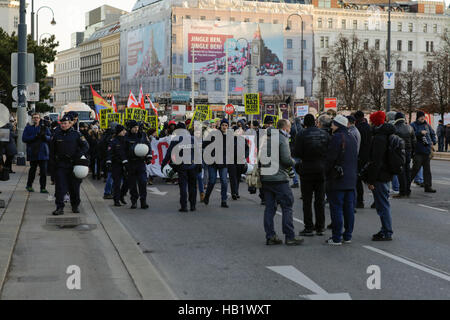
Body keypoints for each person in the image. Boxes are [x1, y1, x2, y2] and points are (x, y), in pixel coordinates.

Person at [261, 119, 304, 246]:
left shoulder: (265, 138)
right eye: (289, 128)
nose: (290, 131)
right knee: (287, 206)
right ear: (285, 128)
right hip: (279, 178)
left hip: (266, 177)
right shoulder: (281, 139)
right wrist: (295, 161)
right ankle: (290, 236)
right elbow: (286, 159)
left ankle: (270, 236)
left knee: (269, 208)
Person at [293, 114, 329, 236]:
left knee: (307, 200)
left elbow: (296, 152)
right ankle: (320, 226)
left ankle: (308, 227)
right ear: (315, 122)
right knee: (320, 200)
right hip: (321, 169)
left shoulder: (301, 134)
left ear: (305, 123)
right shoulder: (324, 134)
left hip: (307, 169)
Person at [325, 115, 358, 245]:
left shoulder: (337, 137)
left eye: (332, 124)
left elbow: (330, 158)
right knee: (349, 209)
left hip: (338, 179)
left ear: (337, 125)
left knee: (337, 208)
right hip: (350, 179)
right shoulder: (352, 137)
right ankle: (348, 235)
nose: (331, 126)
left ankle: (336, 237)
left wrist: (326, 172)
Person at [364, 111, 395, 241]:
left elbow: (376, 161)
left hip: (380, 175)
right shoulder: (387, 135)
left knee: (383, 205)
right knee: (383, 204)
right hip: (386, 174)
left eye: (371, 120)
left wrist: (370, 180)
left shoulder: (379, 138)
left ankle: (387, 231)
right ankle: (385, 230)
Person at [49, 115, 89, 215]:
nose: (63, 125)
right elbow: (52, 152)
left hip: (74, 165)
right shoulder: (56, 135)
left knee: (74, 187)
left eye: (65, 123)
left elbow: (86, 146)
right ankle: (59, 207)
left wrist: (78, 155)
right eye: (62, 123)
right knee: (60, 187)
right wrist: (52, 166)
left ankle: (75, 206)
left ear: (70, 124)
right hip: (61, 165)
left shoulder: (76, 134)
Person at [162, 123, 201, 212]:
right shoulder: (192, 138)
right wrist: (199, 164)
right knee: (193, 187)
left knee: (183, 186)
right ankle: (193, 206)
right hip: (192, 165)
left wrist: (163, 164)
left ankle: (184, 206)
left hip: (181, 166)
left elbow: (169, 153)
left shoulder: (175, 139)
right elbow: (198, 153)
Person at [22, 113, 51, 193]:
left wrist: (44, 137)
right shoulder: (28, 128)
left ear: (39, 119)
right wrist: (35, 136)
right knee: (32, 170)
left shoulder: (44, 128)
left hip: (43, 152)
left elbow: (50, 138)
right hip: (33, 152)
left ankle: (43, 188)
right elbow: (24, 138)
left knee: (43, 172)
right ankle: (29, 185)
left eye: (37, 118)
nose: (36, 119)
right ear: (32, 119)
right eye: (34, 118)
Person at [203, 119, 230, 208]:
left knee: (224, 181)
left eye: (226, 125)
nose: (224, 127)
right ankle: (207, 196)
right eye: (223, 125)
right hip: (213, 162)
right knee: (212, 181)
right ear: (220, 126)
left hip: (223, 162)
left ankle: (224, 200)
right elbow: (204, 144)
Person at [126, 121, 152, 209]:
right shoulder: (126, 136)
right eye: (134, 127)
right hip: (131, 163)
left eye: (137, 127)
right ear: (130, 128)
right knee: (132, 184)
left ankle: (143, 201)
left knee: (143, 182)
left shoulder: (143, 135)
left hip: (141, 162)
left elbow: (148, 145)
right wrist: (124, 161)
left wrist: (149, 156)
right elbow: (123, 149)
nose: (136, 129)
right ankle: (134, 201)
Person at [410, 111, 437, 193]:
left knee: (427, 170)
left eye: (423, 116)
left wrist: (434, 141)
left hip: (427, 150)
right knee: (415, 169)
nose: (422, 118)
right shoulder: (413, 125)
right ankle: (406, 184)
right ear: (418, 117)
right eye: (421, 116)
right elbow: (411, 135)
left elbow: (432, 133)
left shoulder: (427, 125)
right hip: (418, 151)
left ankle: (428, 186)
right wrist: (420, 133)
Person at [393, 112, 416, 198]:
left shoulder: (394, 128)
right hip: (408, 152)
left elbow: (393, 142)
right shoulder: (410, 127)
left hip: (399, 152)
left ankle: (402, 191)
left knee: (401, 172)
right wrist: (413, 152)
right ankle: (408, 190)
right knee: (407, 171)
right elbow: (414, 141)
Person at [106, 125, 129, 207]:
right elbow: (109, 153)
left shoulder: (126, 140)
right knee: (117, 183)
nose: (125, 132)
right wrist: (108, 162)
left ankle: (122, 195)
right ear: (119, 132)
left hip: (126, 164)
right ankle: (116, 200)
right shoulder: (113, 141)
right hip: (116, 164)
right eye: (123, 130)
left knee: (127, 182)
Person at [354, 111, 372, 209]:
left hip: (360, 156)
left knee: (358, 179)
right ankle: (377, 200)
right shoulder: (368, 127)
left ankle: (360, 201)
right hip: (368, 155)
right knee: (369, 179)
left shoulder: (358, 128)